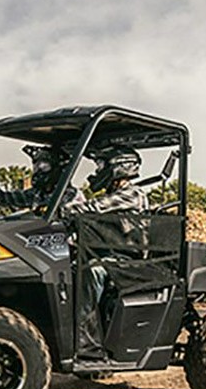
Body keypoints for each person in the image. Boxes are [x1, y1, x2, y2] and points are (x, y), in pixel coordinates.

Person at [59, 145, 148, 360]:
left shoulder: (132, 194)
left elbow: (94, 207)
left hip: (127, 258)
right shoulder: (114, 194)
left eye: (101, 166)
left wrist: (60, 209)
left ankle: (88, 345)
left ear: (120, 167)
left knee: (92, 272)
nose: (97, 172)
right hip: (109, 255)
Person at [0, 145, 82, 211]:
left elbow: (49, 212)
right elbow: (5, 198)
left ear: (59, 168)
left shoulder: (70, 194)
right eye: (36, 166)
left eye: (43, 166)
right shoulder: (37, 194)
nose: (38, 171)